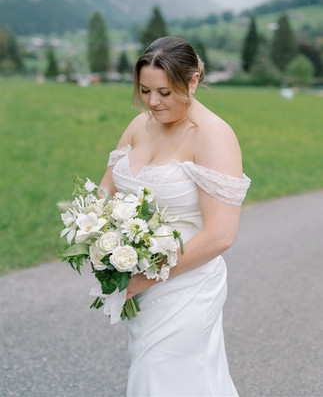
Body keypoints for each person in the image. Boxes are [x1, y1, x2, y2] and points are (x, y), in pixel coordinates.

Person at [99, 36, 251, 397]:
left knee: (161, 375)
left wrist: (146, 276)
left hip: (186, 286)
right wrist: (96, 241)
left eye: (165, 93)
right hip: (139, 283)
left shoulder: (214, 136)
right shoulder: (139, 126)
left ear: (193, 81)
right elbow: (106, 194)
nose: (153, 102)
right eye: (145, 90)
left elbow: (220, 235)